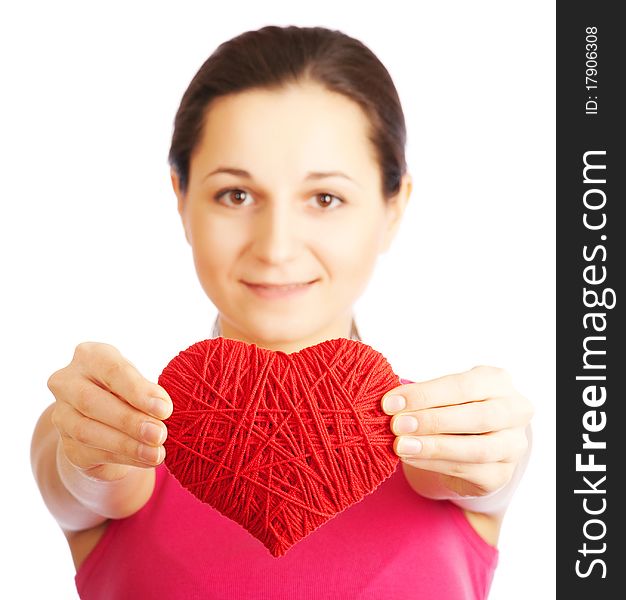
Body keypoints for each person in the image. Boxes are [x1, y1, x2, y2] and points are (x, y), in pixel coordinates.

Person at [30, 24, 533, 599]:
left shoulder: (452, 432)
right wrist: (87, 459)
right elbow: (83, 481)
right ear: (181, 198)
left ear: (394, 207)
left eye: (325, 198)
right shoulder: (116, 427)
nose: (276, 247)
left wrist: (494, 457)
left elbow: (486, 475)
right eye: (235, 195)